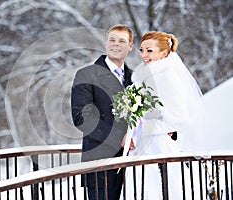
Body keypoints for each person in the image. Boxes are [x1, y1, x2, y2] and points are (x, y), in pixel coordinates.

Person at [125, 31, 204, 199]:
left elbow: (178, 112)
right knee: (144, 182)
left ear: (164, 53)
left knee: (168, 182)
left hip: (161, 138)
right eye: (141, 50)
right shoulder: (143, 76)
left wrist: (152, 113)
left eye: (149, 51)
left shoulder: (168, 76)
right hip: (144, 138)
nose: (144, 55)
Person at [71, 24, 134, 200]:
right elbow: (82, 118)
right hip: (100, 165)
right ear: (106, 43)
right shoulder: (86, 75)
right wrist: (120, 139)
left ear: (130, 46)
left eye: (122, 41)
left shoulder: (135, 78)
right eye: (112, 39)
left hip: (133, 165)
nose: (116, 44)